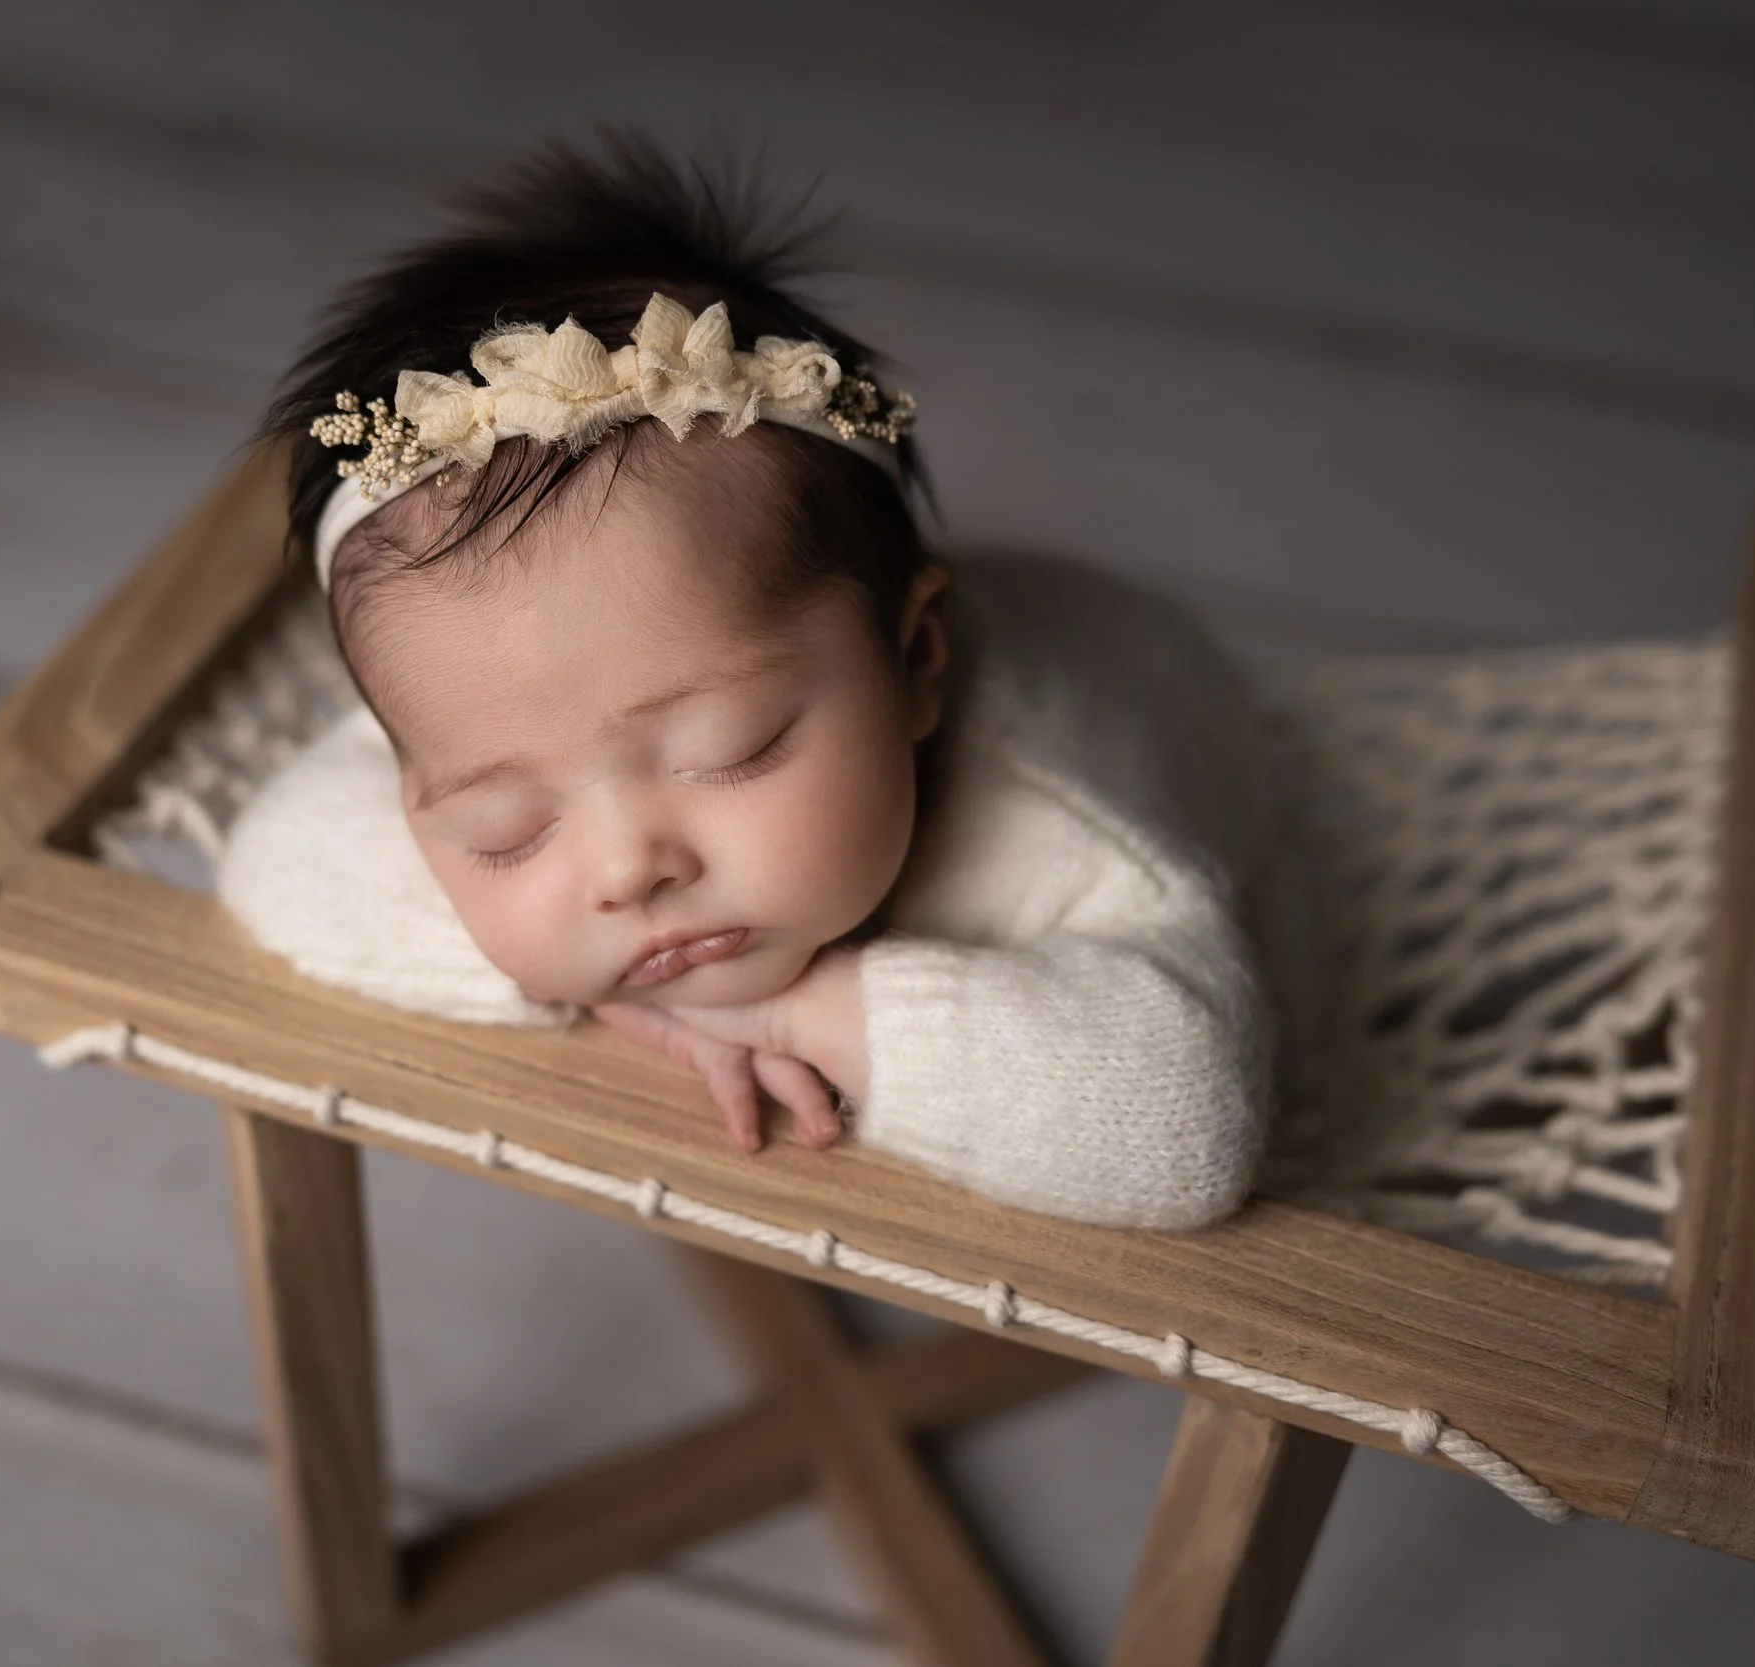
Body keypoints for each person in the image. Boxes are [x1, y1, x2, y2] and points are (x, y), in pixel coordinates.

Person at [219, 136, 1309, 1230]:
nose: (628, 868)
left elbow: (1186, 1121)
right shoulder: (497, 688)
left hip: (1210, 736)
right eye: (505, 828)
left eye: (729, 749)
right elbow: (277, 856)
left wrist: (807, 1014)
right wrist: (644, 1009)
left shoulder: (1049, 831)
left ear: (916, 657)